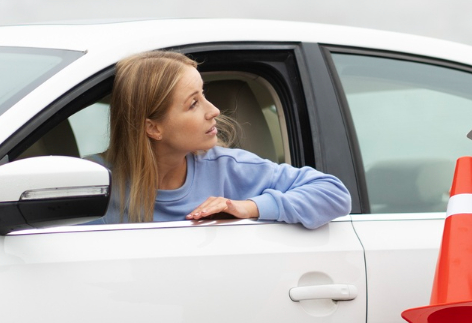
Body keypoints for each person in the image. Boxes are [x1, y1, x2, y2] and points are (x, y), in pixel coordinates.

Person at [95, 50, 350, 228]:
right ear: (153, 128)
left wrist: (247, 208)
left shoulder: (228, 167)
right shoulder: (93, 182)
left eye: (204, 95)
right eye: (194, 103)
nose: (214, 110)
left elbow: (334, 193)